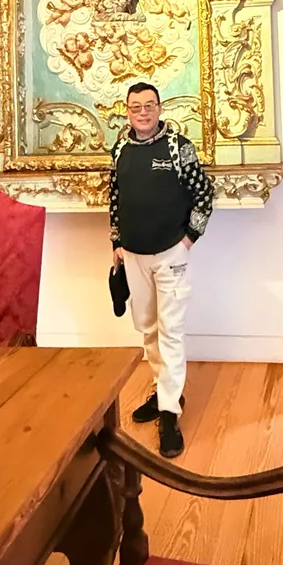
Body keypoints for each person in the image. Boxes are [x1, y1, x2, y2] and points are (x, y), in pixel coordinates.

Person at [109, 82, 214, 457]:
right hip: (133, 256)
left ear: (159, 108)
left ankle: (170, 414)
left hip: (171, 255)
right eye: (135, 106)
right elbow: (115, 197)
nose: (143, 112)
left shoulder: (178, 147)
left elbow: (204, 194)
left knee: (170, 331)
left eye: (149, 105)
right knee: (149, 328)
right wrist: (117, 242)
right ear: (127, 111)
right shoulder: (120, 149)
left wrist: (189, 239)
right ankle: (164, 390)